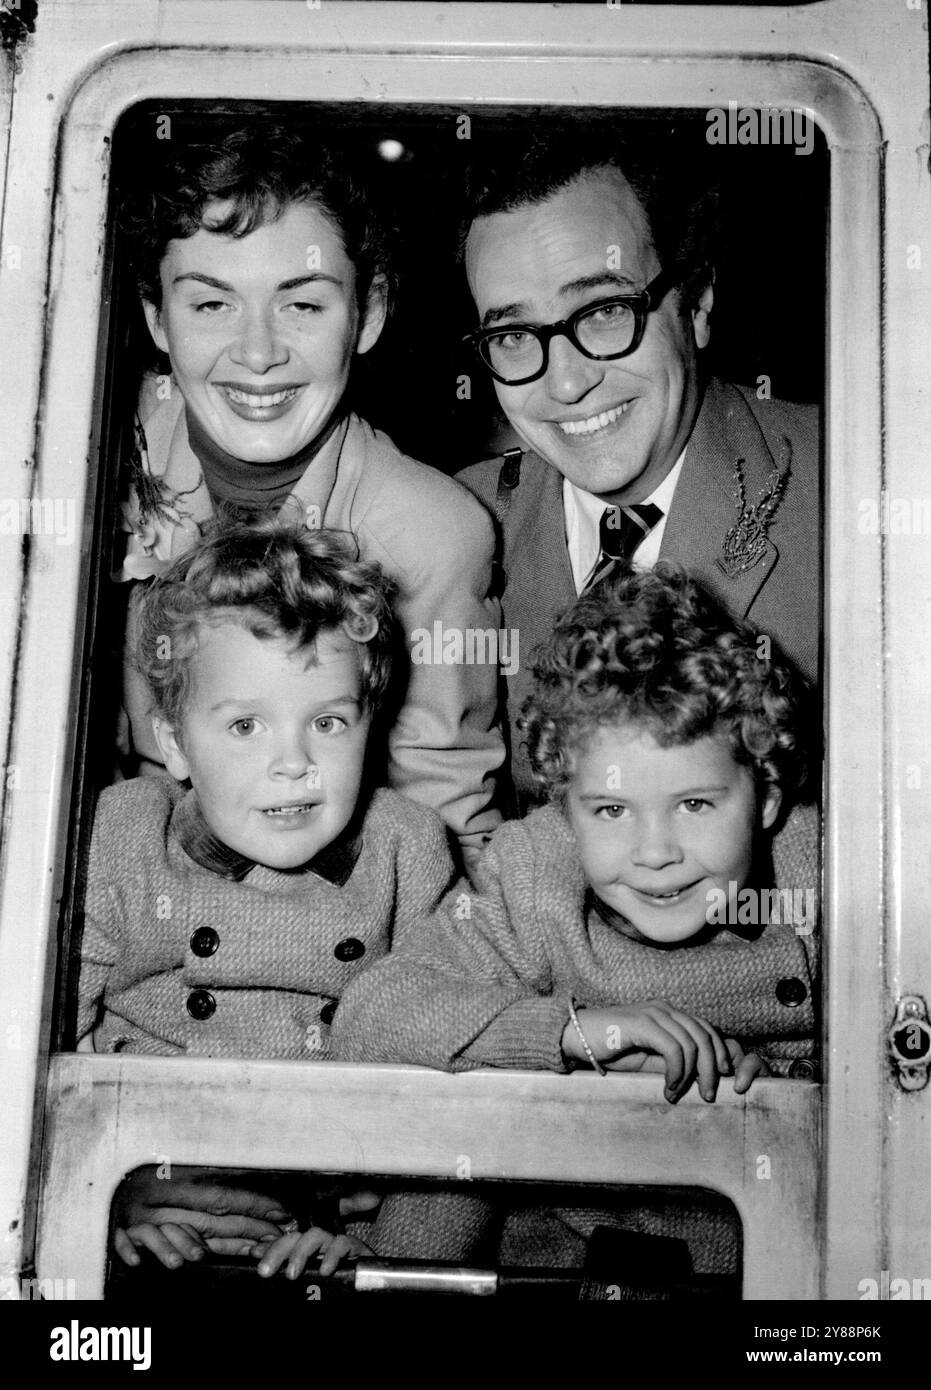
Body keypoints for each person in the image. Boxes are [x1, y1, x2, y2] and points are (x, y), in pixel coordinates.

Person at [332, 566, 818, 1277]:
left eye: (694, 805)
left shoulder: (829, 872)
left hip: (763, 1267)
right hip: (550, 1265)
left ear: (767, 797)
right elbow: (368, 1017)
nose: (655, 854)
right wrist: (573, 1031)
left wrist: (773, 1082)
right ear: (564, 807)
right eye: (611, 810)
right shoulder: (534, 873)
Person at [116, 122, 503, 867]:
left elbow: (445, 826)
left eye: (303, 305)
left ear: (370, 312)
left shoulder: (431, 533)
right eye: (210, 305)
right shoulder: (91, 448)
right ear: (155, 317)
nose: (257, 354)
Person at [79, 517, 458, 1279]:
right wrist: (100, 1197)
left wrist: (388, 1254)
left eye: (327, 722)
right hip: (148, 1236)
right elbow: (29, 1055)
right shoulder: (124, 834)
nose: (294, 763)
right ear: (176, 744)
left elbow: (463, 1078)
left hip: (327, 1252)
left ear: (369, 724)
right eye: (246, 725)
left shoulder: (407, 849)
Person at [455, 136, 820, 813]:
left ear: (698, 303)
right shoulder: (453, 528)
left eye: (603, 312)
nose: (565, 382)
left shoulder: (855, 490)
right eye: (511, 336)